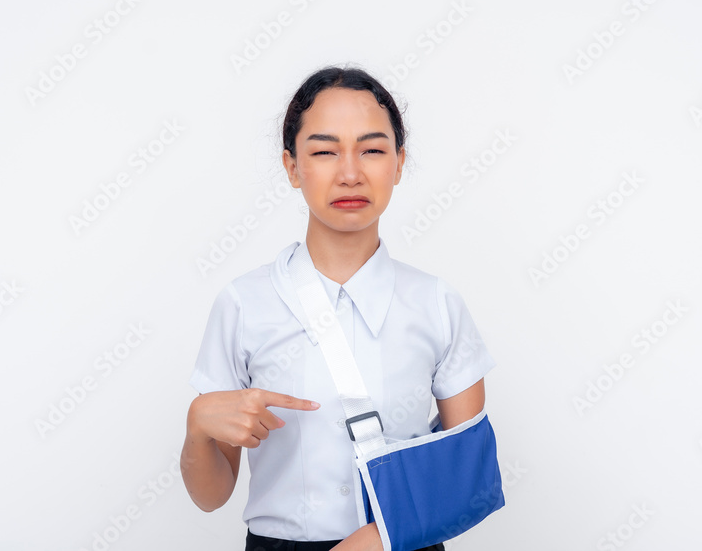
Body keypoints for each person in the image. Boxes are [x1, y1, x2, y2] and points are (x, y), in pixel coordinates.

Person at [181, 65, 497, 551]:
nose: (350, 173)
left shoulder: (437, 303)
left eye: (372, 150)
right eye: (325, 151)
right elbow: (211, 496)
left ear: (398, 163)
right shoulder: (244, 304)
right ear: (291, 167)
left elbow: (467, 479)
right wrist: (198, 424)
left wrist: (373, 542)